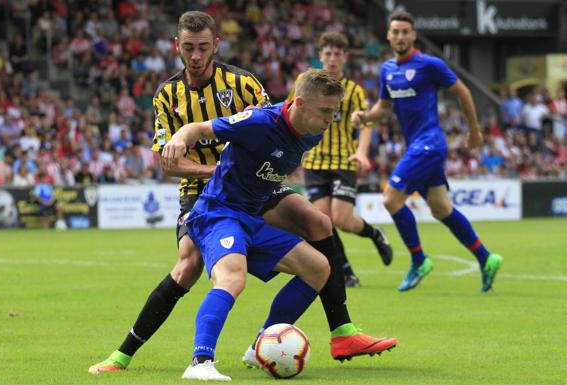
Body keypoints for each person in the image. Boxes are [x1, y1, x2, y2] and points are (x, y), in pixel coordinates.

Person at [89, 11, 396, 375]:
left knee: (319, 230)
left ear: (216, 44)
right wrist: (198, 150)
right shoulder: (167, 95)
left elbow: (281, 120)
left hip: (254, 190)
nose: (196, 55)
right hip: (210, 193)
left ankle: (333, 332)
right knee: (191, 267)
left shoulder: (252, 89)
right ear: (177, 47)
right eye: (189, 48)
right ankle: (134, 354)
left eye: (203, 47)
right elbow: (174, 159)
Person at [164, 69, 393, 381]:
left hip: (252, 218)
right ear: (298, 103)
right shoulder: (258, 123)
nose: (330, 120)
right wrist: (179, 137)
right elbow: (198, 128)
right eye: (325, 111)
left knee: (319, 268)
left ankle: (260, 344)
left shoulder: (313, 132)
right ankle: (200, 361)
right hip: (218, 213)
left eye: (335, 112)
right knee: (232, 278)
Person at [353, 10, 503, 292]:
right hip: (418, 146)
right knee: (440, 208)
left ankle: (419, 259)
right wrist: (365, 118)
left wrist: (474, 130)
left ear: (413, 35)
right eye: (395, 32)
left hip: (430, 142)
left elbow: (463, 91)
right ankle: (486, 258)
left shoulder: (429, 64)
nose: (399, 36)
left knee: (390, 199)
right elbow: (384, 109)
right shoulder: (387, 70)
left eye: (404, 32)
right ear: (388, 35)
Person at [288, 32, 393, 288]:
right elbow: (290, 111)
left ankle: (375, 233)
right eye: (328, 53)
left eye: (337, 54)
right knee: (324, 223)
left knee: (343, 220)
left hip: (344, 160)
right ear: (320, 55)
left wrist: (362, 152)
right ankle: (345, 272)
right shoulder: (305, 81)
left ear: (345, 57)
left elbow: (366, 122)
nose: (332, 59)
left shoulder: (354, 90)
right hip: (314, 163)